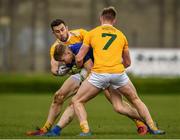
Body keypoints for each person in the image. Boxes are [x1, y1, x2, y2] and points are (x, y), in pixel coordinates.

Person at [72, 6, 165, 136]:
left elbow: (80, 57)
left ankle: (86, 130)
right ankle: (153, 127)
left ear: (101, 19)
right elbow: (127, 63)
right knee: (129, 102)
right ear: (114, 21)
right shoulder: (121, 35)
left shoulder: (91, 33)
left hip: (99, 74)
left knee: (77, 101)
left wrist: (78, 65)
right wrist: (114, 69)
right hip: (118, 74)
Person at [44, 43, 148, 136]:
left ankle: (144, 122)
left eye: (63, 60)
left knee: (118, 106)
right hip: (97, 74)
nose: (63, 62)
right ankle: (56, 130)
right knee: (72, 100)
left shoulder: (78, 50)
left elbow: (90, 68)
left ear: (67, 52)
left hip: (105, 72)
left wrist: (82, 84)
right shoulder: (70, 55)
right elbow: (81, 68)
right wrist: (68, 70)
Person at [26, 19, 88, 136]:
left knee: (116, 101)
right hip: (79, 74)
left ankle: (135, 119)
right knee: (59, 97)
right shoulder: (56, 47)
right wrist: (59, 71)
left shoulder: (81, 34)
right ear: (53, 33)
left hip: (93, 70)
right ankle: (46, 129)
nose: (61, 33)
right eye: (57, 31)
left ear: (67, 28)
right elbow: (54, 68)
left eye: (62, 29)